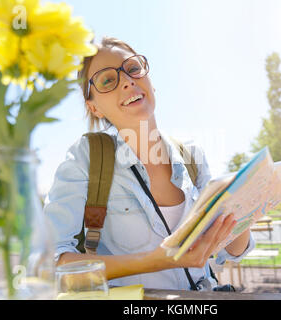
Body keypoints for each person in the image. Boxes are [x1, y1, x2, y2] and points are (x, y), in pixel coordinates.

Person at [43, 36, 255, 291]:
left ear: (150, 83)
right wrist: (154, 261)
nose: (127, 80)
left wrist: (243, 208)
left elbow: (231, 251)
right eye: (108, 80)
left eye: (132, 68)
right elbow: (52, 263)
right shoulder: (85, 157)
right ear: (94, 107)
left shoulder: (191, 154)